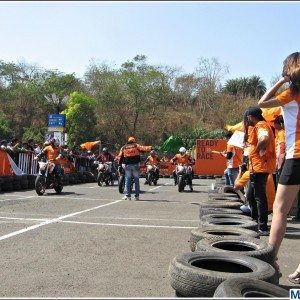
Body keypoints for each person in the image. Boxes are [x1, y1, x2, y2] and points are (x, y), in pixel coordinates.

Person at [257, 52, 300, 276]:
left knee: (281, 210)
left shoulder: (291, 93)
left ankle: (270, 262)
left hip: (297, 157)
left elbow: (262, 103)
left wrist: (281, 80)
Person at [243, 106, 276, 236]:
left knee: (259, 196)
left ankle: (262, 227)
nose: (247, 120)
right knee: (251, 195)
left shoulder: (261, 125)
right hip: (256, 167)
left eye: (248, 118)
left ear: (251, 117)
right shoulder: (261, 125)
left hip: (260, 167)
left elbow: (264, 139)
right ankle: (255, 222)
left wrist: (256, 151)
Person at [273, 115, 286, 188]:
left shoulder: (281, 133)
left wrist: (279, 163)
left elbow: (282, 147)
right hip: (282, 160)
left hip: (280, 161)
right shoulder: (284, 132)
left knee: (280, 185)